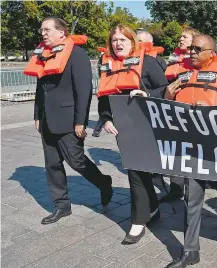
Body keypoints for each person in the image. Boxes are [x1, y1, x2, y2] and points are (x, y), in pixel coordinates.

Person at [161, 34, 217, 268]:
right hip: (191, 146)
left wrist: (214, 110)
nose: (192, 52)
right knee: (192, 197)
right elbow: (165, 109)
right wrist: (167, 96)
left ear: (212, 54)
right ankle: (190, 250)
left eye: (198, 49)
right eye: (191, 49)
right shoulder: (181, 75)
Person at [24, 17, 113, 225]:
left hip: (68, 120)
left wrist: (80, 121)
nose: (43, 33)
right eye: (42, 30)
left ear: (61, 33)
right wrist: (37, 114)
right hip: (47, 119)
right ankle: (61, 206)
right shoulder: (44, 54)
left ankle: (103, 182)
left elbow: (83, 91)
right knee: (52, 164)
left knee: (77, 161)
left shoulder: (77, 54)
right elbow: (41, 88)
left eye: (47, 30)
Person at [97, 24, 168, 244]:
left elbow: (166, 89)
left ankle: (138, 222)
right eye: (115, 40)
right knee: (138, 171)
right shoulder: (106, 65)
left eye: (123, 40)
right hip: (123, 128)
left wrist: (145, 93)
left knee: (137, 172)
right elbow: (102, 98)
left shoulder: (147, 62)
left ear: (133, 42)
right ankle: (153, 208)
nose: (118, 44)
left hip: (147, 125)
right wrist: (106, 118)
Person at [160, 26, 201, 203]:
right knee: (175, 152)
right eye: (180, 36)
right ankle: (176, 190)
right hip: (175, 113)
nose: (180, 39)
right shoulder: (173, 62)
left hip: (195, 114)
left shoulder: (201, 63)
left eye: (185, 37)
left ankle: (197, 188)